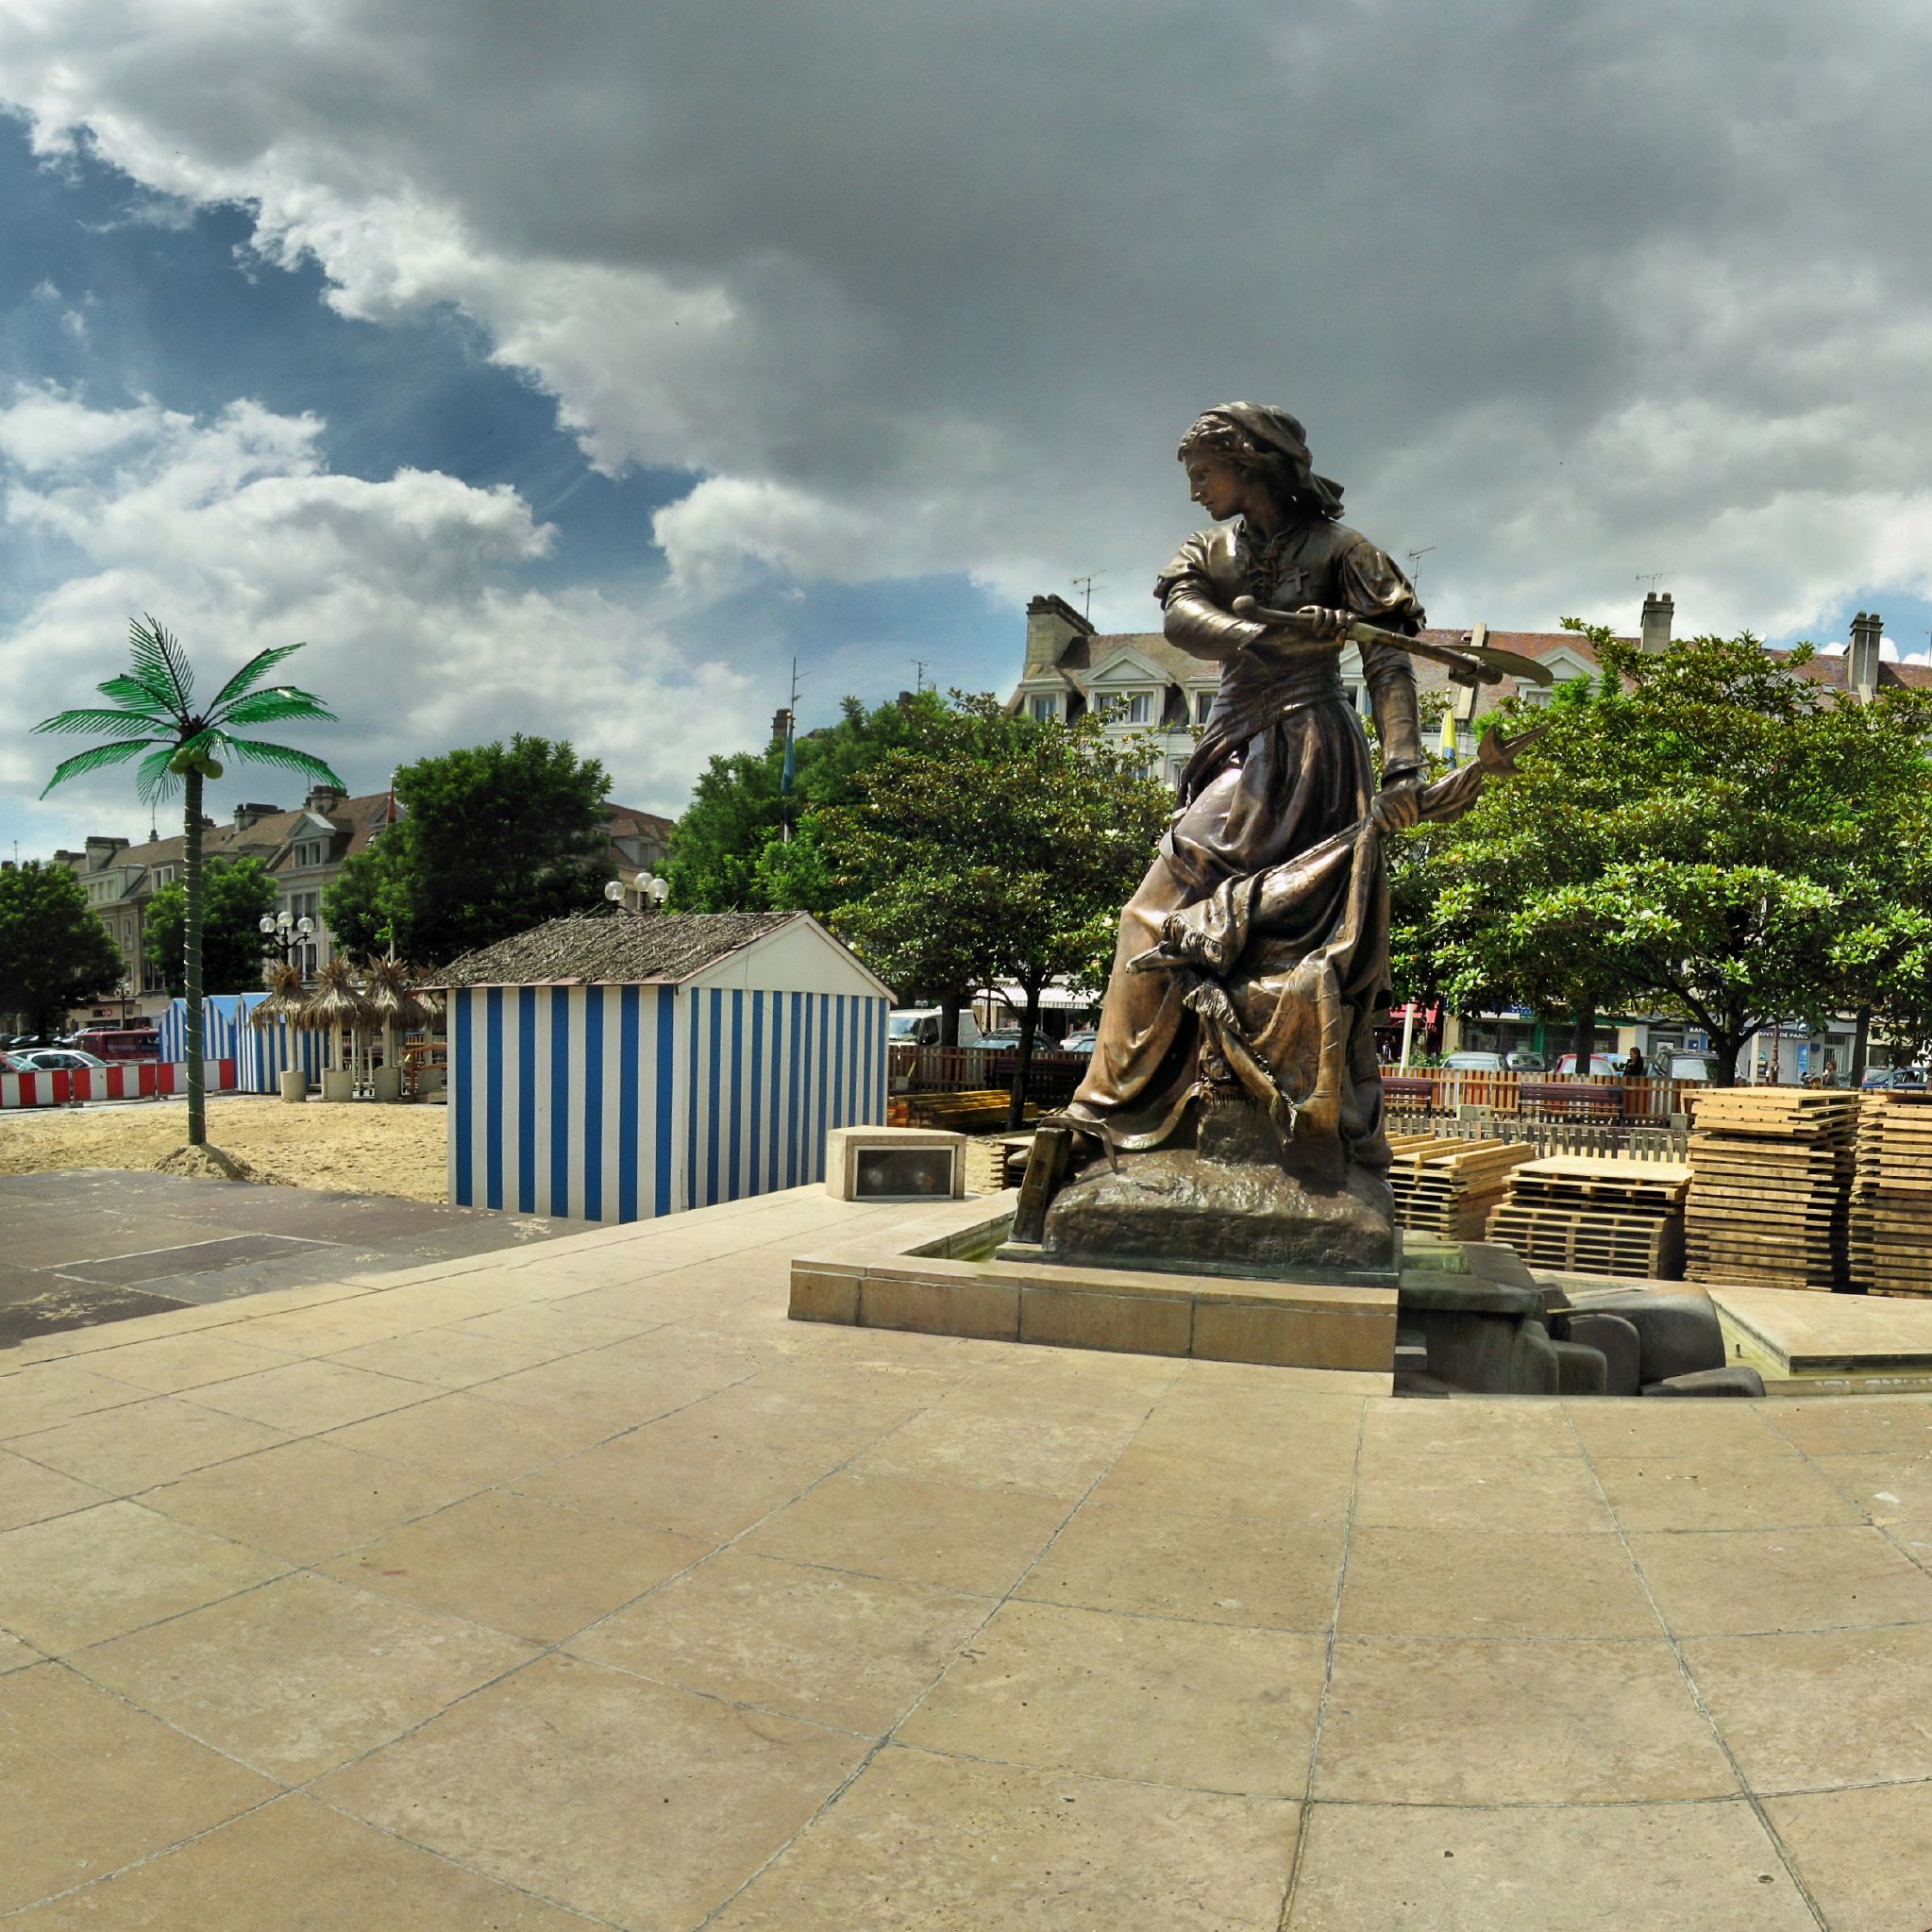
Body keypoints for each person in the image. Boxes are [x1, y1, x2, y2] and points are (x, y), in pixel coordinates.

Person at [1054, 402, 1424, 1159]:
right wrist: (1266, 630)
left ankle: (1107, 1107)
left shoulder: (1342, 549)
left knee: (1155, 916)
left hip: (1308, 751)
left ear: (1250, 462)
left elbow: (1388, 659)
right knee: (1163, 920)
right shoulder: (1209, 547)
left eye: (1202, 471)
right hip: (1233, 742)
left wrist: (1404, 766)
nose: (1193, 488)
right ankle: (1131, 1109)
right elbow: (1183, 617)